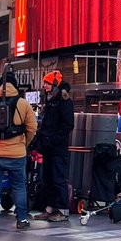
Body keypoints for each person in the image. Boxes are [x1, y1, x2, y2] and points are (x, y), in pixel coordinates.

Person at [0, 74, 38, 231]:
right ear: (15, 86)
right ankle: (22, 219)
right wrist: (24, 144)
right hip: (17, 154)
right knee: (19, 186)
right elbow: (32, 128)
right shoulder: (24, 104)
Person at [36, 71, 74, 222]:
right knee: (48, 178)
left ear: (55, 84)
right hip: (48, 147)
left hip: (57, 148)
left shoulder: (63, 101)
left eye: (47, 83)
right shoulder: (51, 100)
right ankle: (51, 208)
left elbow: (67, 125)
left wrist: (53, 140)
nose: (44, 85)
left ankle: (62, 210)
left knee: (58, 179)